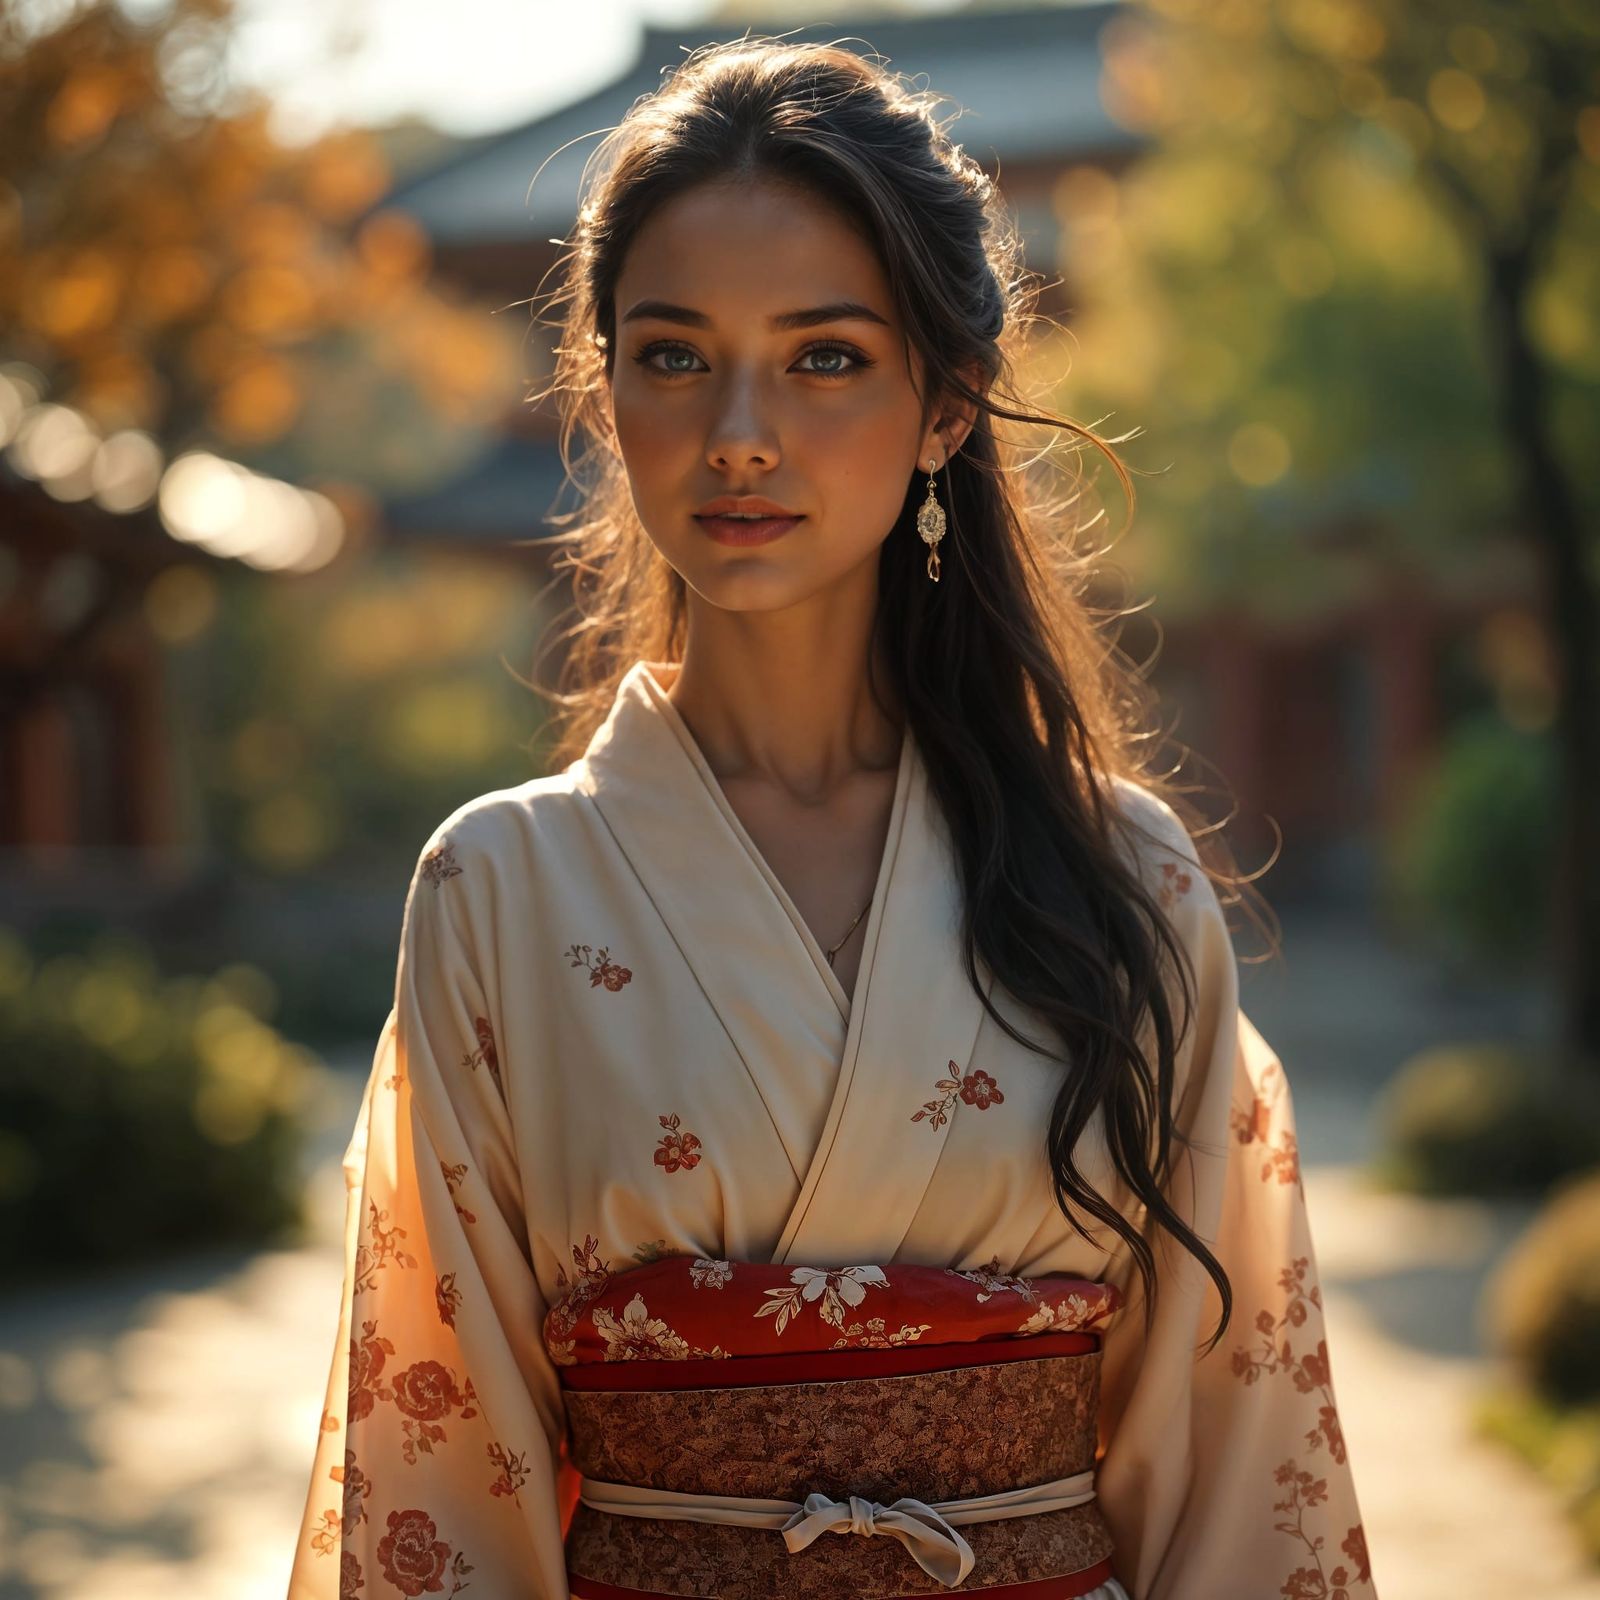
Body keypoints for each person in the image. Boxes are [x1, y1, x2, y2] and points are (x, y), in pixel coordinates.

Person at [287, 35, 1374, 1600]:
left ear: (946, 407)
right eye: (672, 355)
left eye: (825, 357)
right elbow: (445, 1465)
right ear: (602, 392)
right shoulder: (501, 891)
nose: (740, 430)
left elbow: (1235, 1437)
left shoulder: (1119, 873)